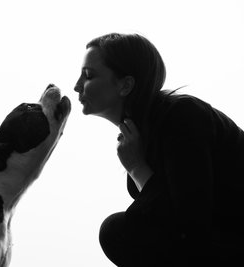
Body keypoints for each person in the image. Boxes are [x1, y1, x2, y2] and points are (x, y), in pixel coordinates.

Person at [74, 33, 244, 266]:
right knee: (119, 231)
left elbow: (191, 225)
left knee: (117, 231)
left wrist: (136, 167)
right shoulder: (140, 135)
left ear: (125, 85)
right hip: (217, 240)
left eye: (88, 76)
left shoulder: (181, 116)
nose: (76, 86)